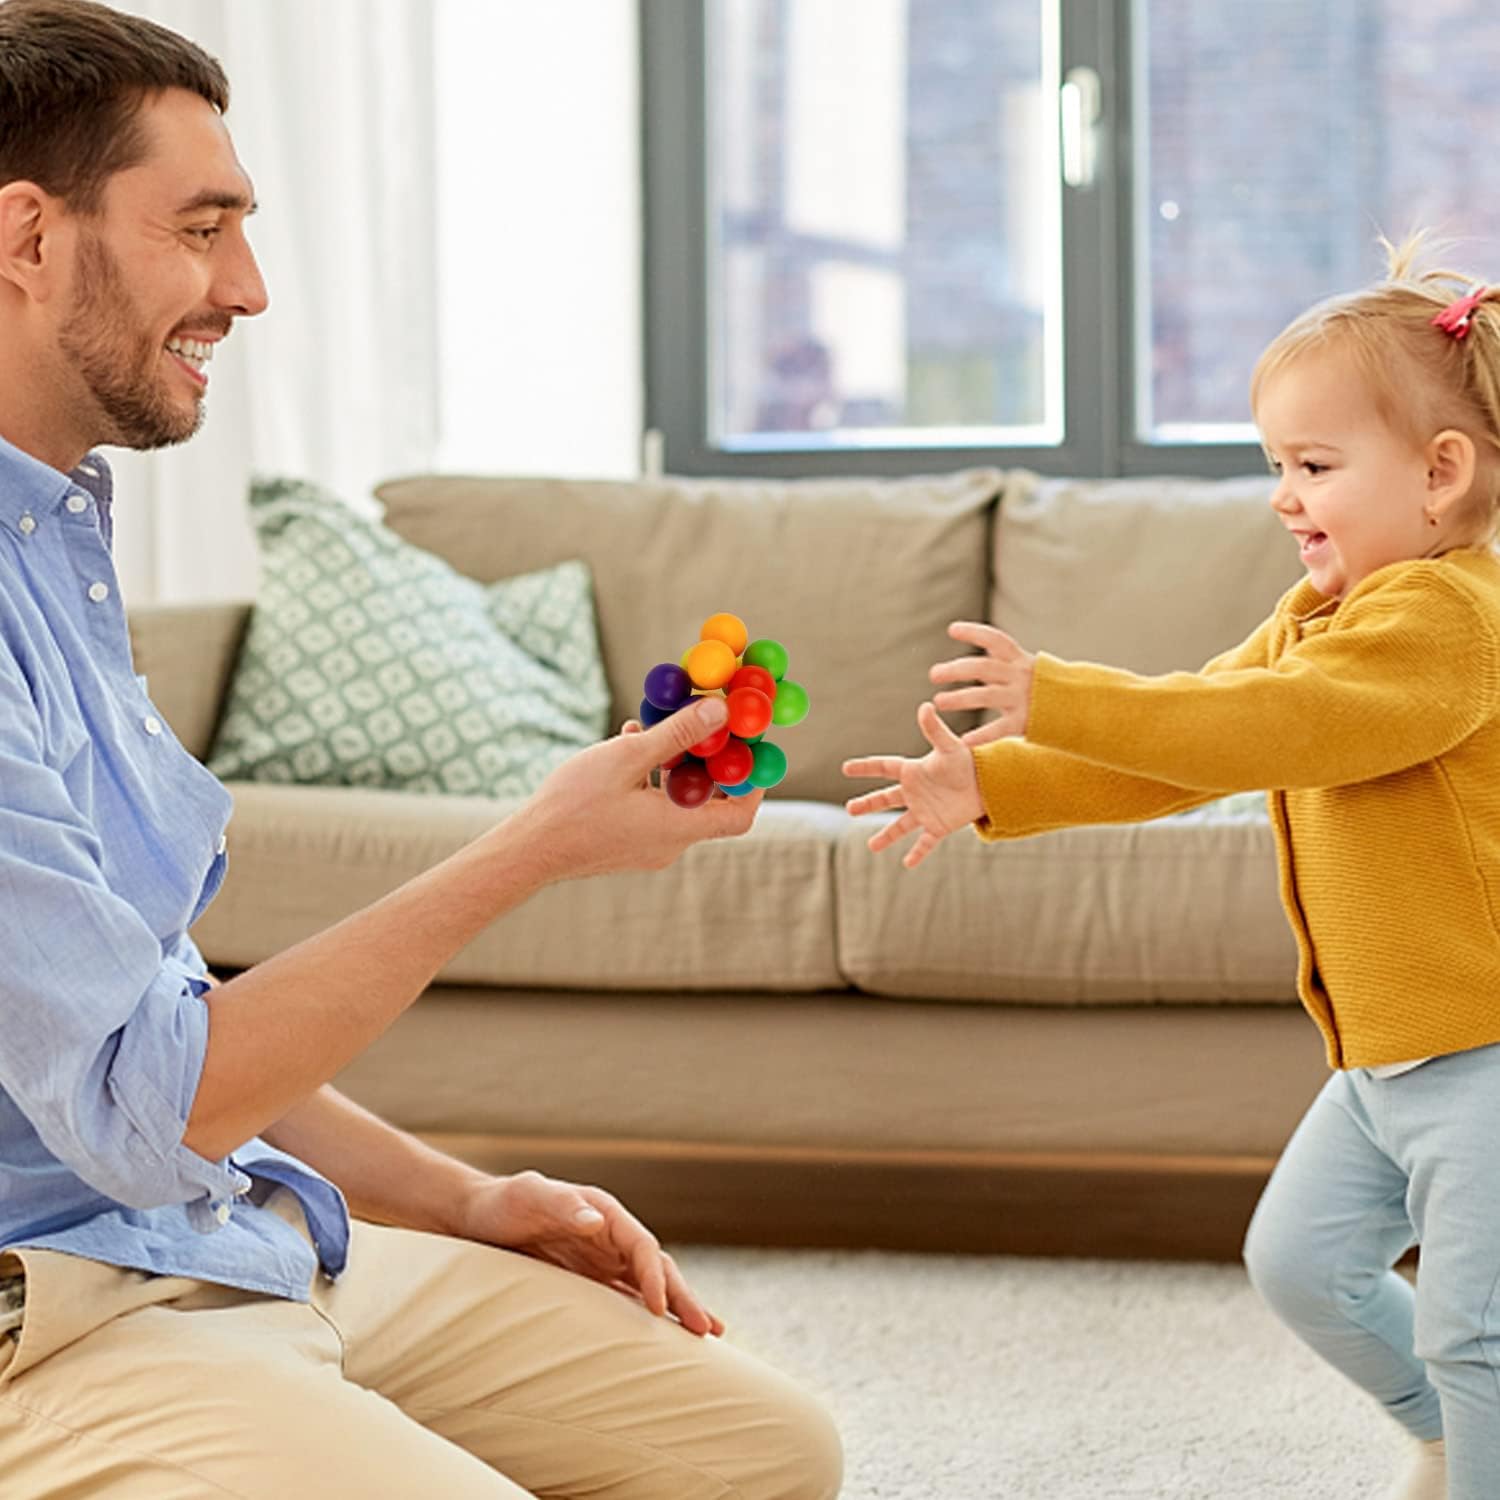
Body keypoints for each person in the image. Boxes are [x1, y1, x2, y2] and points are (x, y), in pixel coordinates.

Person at [0, 2, 842, 1496]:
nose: (247, 291)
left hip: (220, 1233)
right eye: (201, 230)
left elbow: (162, 1004)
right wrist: (538, 842)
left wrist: (462, 1198)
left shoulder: (55, 538)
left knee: (760, 1453)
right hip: (52, 1323)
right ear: (29, 240)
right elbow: (155, 1100)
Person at [845, 234, 1500, 1500]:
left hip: (1480, 1049)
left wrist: (1064, 696)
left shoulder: (1449, 619)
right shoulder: (1323, 616)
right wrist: (993, 783)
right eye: (1276, 468)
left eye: (1313, 466)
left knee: (1478, 1328)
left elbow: (1275, 727)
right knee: (1302, 1264)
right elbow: (1194, 743)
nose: (1282, 495)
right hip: (1385, 1054)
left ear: (1440, 473)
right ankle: (1448, 1435)